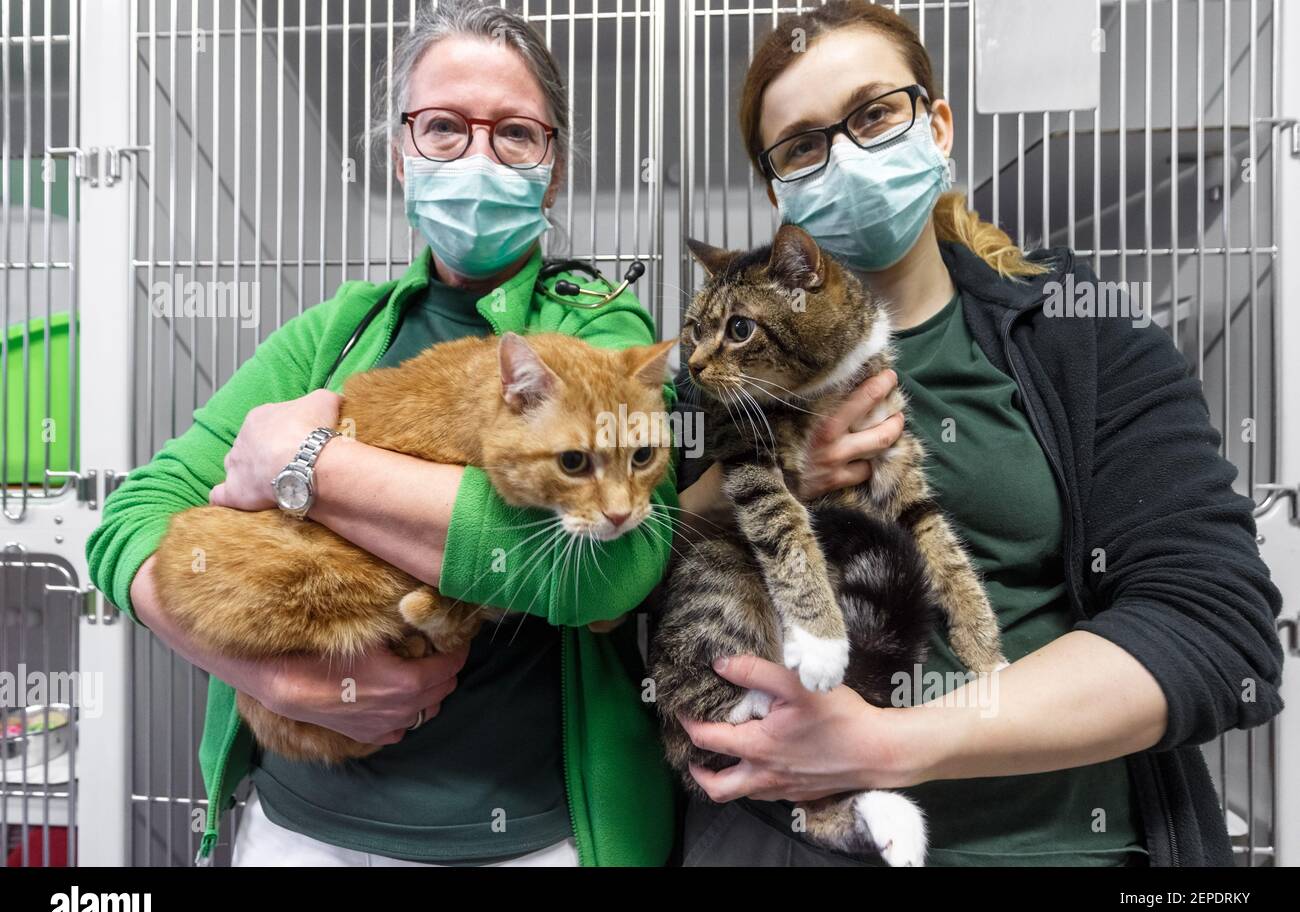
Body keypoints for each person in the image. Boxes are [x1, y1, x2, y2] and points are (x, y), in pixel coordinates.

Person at [674, 0, 1283, 866]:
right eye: (804, 145)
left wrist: (886, 743)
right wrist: (743, 491)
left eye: (874, 114)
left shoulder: (1083, 332)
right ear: (779, 192)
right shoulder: (720, 374)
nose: (844, 155)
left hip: (1079, 847)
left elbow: (1215, 630)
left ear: (938, 124)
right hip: (785, 839)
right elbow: (620, 593)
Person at [88, 0, 684, 867]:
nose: (479, 157)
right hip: (299, 829)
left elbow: (616, 572)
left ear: (552, 170)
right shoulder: (332, 334)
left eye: (515, 134)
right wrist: (275, 679)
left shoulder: (599, 334)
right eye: (443, 128)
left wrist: (304, 464)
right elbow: (131, 517)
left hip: (529, 835)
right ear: (401, 154)